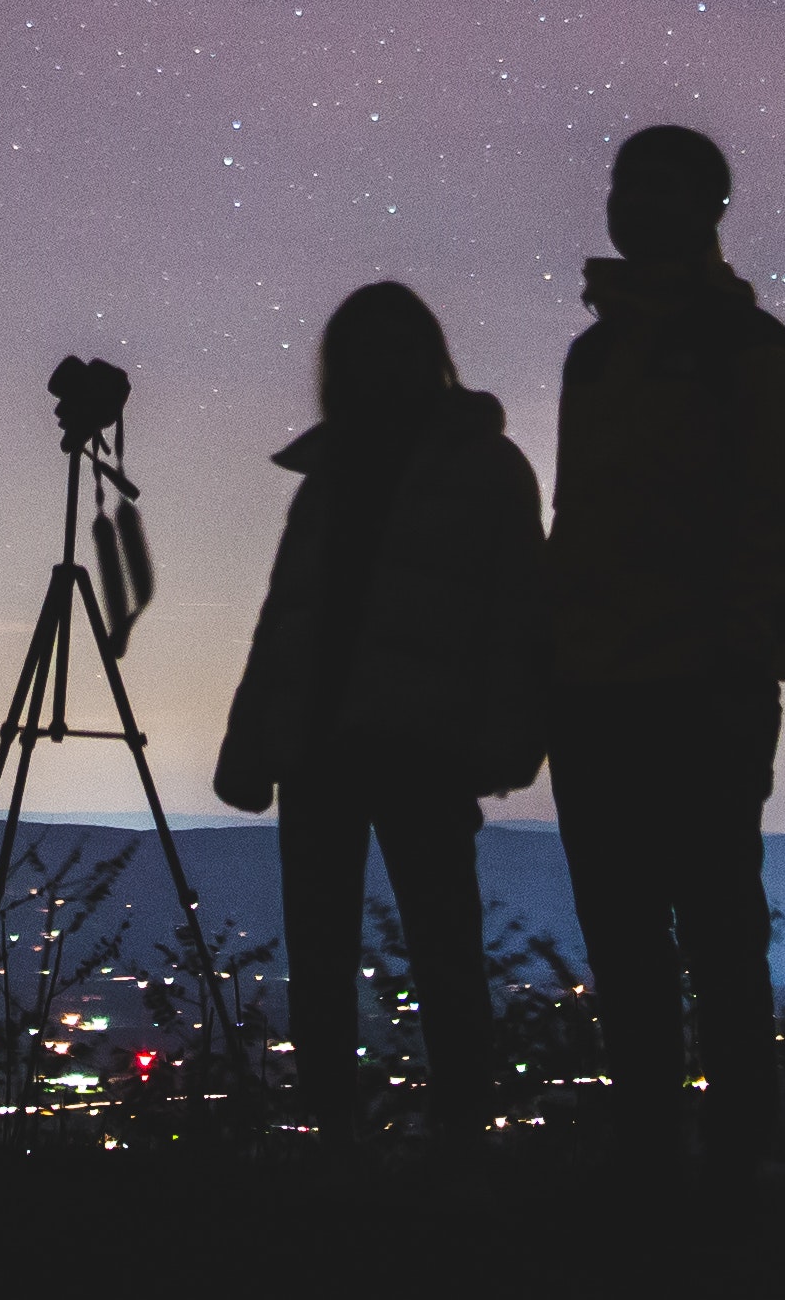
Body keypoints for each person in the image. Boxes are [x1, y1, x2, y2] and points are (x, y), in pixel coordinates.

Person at [543, 123, 785, 1168]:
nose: (630, 205)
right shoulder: (599, 353)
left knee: (712, 931)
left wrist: (721, 652)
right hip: (596, 688)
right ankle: (655, 1164)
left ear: (709, 210)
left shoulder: (747, 349)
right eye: (623, 185)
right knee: (625, 939)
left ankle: (736, 1168)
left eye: (656, 190)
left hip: (699, 686)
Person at [212, 280, 545, 1137]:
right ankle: (339, 1141)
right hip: (321, 744)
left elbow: (519, 613)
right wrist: (254, 740)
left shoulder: (482, 469)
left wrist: (504, 738)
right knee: (324, 958)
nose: (378, 369)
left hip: (419, 744)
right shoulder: (330, 477)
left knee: (442, 949)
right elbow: (285, 616)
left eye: (393, 350)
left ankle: (459, 1140)